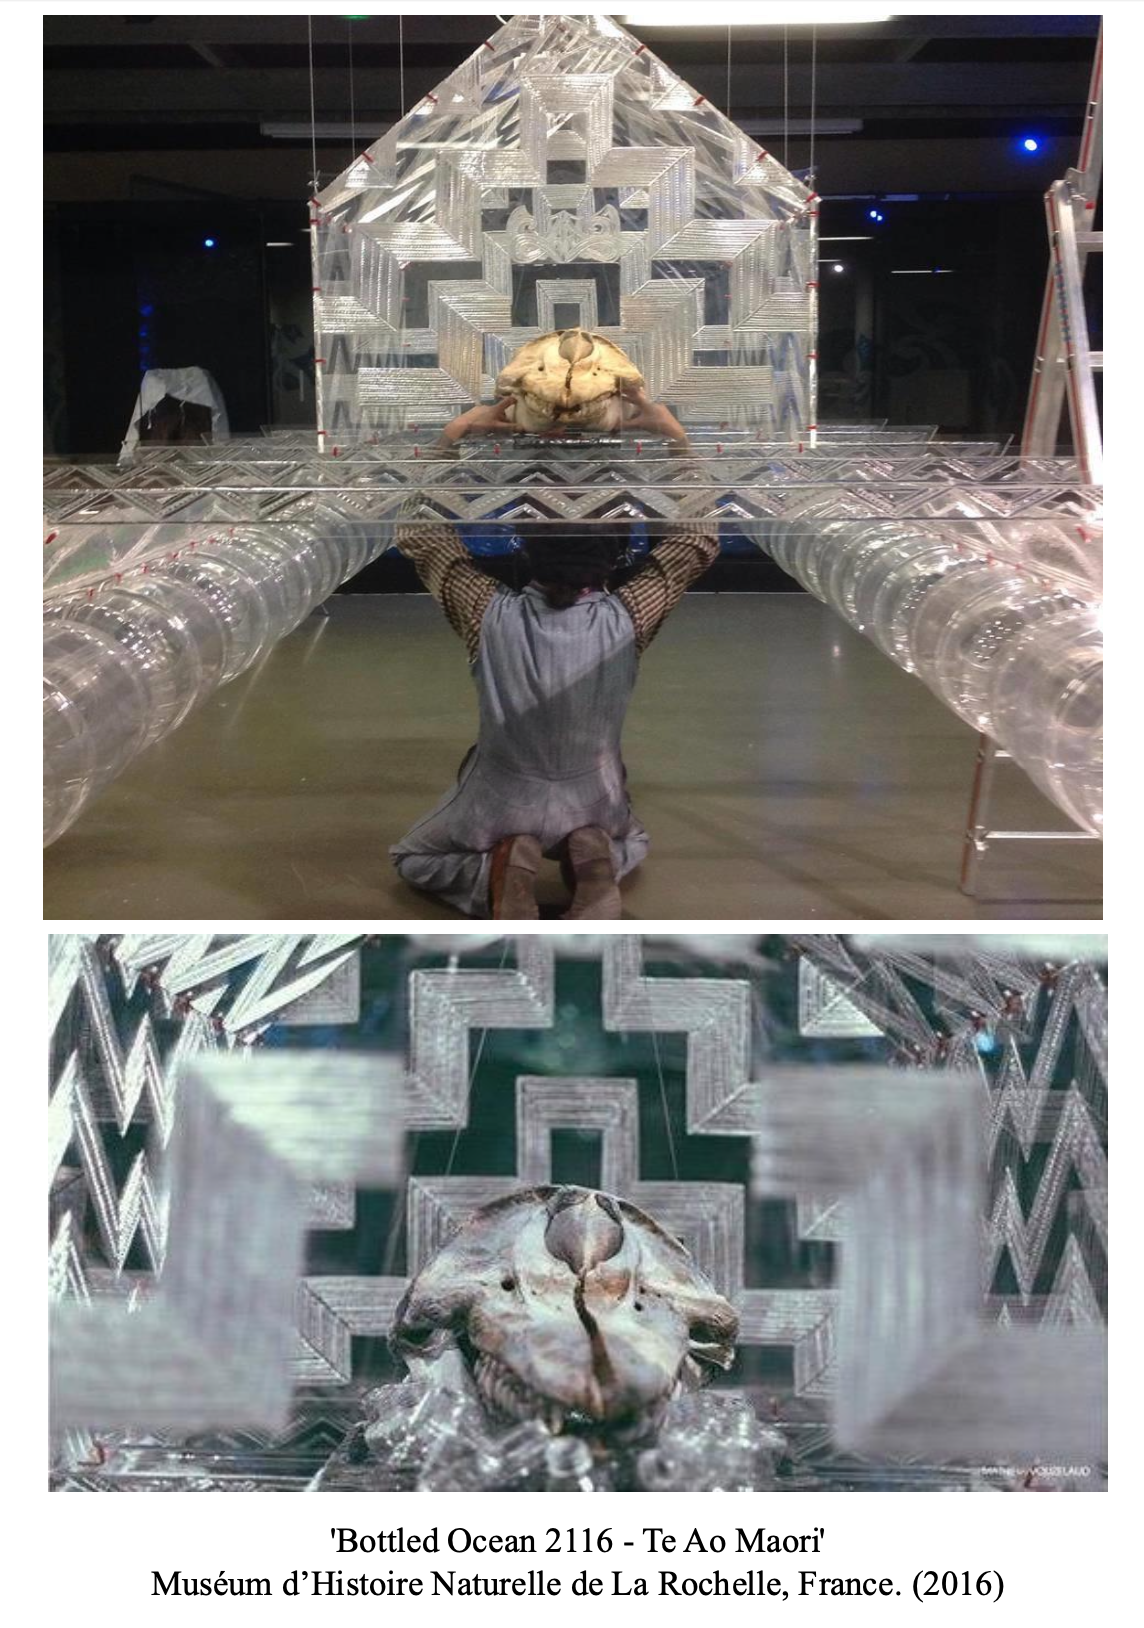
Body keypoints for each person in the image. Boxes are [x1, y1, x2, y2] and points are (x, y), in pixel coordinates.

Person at [390, 388, 719, 919]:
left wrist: (453, 438)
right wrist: (676, 441)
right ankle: (594, 855)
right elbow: (695, 542)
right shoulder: (629, 618)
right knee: (633, 841)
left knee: (412, 858)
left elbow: (422, 535)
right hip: (596, 797)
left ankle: (500, 867)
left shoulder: (486, 613)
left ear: (524, 546)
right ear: (617, 553)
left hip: (498, 800)